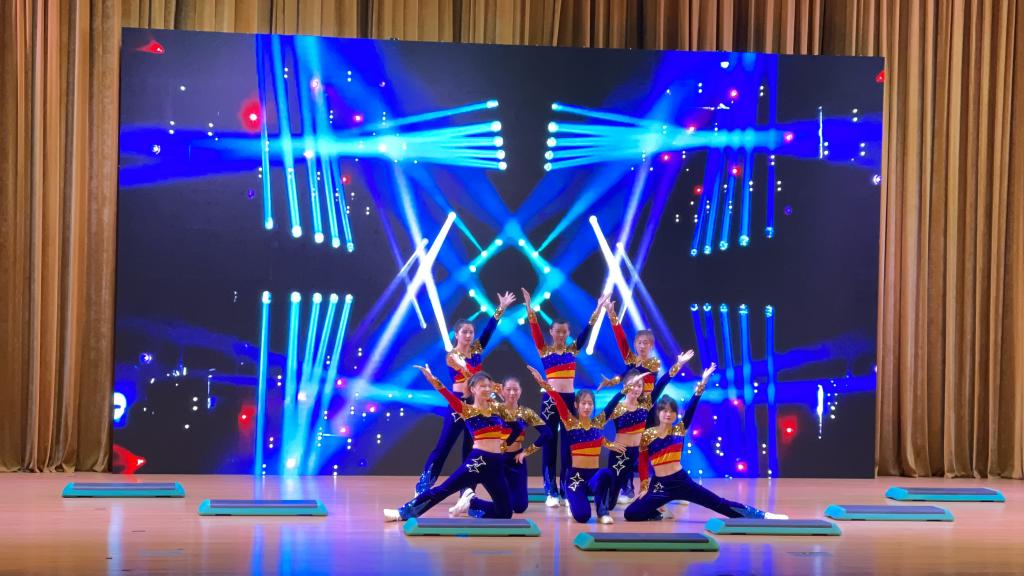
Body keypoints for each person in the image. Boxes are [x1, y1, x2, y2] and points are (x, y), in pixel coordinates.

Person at [624, 363, 788, 522]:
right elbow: (643, 461)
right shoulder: (648, 434)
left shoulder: (679, 430)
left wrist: (703, 382)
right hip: (659, 485)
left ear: (675, 414)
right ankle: (659, 509)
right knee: (631, 514)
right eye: (664, 411)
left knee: (719, 504)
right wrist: (644, 487)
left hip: (680, 482)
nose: (668, 414)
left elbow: (691, 407)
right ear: (658, 413)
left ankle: (763, 515)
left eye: (672, 411)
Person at [414, 291, 516, 495]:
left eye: (471, 332)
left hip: (476, 404)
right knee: (444, 445)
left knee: (471, 448)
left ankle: (467, 491)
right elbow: (472, 377)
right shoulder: (452, 356)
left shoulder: (476, 350)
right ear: (457, 334)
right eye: (465, 332)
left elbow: (488, 331)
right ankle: (423, 487)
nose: (469, 336)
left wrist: (501, 308)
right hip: (458, 404)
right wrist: (495, 388)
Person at [385, 368, 515, 522]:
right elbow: (446, 394)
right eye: (482, 386)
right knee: (443, 490)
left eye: (488, 386)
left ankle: (471, 504)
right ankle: (401, 513)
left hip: (496, 464)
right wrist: (432, 380)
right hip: (477, 462)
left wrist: (503, 442)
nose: (487, 389)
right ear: (473, 389)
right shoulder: (467, 410)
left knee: (505, 513)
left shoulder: (498, 409)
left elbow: (512, 425)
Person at [523, 288, 608, 507]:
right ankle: (550, 488)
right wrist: (530, 309)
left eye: (564, 332)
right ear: (551, 332)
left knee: (569, 444)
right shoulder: (545, 351)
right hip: (550, 401)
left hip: (569, 400)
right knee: (550, 441)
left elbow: (587, 331)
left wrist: (598, 309)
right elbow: (535, 332)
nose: (561, 335)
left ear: (568, 333)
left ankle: (567, 487)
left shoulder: (572, 351)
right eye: (557, 331)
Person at [527, 366, 624, 524]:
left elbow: (611, 406)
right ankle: (574, 501)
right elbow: (558, 401)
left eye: (590, 404)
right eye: (584, 403)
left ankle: (602, 511)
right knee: (582, 517)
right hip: (575, 479)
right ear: (576, 405)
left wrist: (624, 391)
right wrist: (544, 384)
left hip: (593, 478)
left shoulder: (598, 423)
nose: (587, 407)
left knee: (606, 474)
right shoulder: (570, 423)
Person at [493, 377, 552, 514]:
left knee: (520, 507)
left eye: (515, 389)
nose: (512, 393)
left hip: (516, 460)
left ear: (520, 391)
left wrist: (526, 452)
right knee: (504, 505)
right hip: (498, 460)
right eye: (508, 389)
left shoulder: (526, 413)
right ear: (502, 391)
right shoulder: (495, 410)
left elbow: (547, 433)